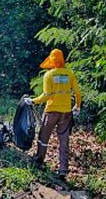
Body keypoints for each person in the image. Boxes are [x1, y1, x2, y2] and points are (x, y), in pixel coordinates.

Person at [24, 49, 81, 179]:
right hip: (66, 112)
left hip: (51, 112)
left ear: (52, 61)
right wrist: (77, 106)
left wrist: (32, 100)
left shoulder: (49, 75)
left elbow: (46, 95)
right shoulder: (69, 74)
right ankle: (63, 169)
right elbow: (78, 93)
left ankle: (39, 160)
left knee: (44, 137)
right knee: (64, 140)